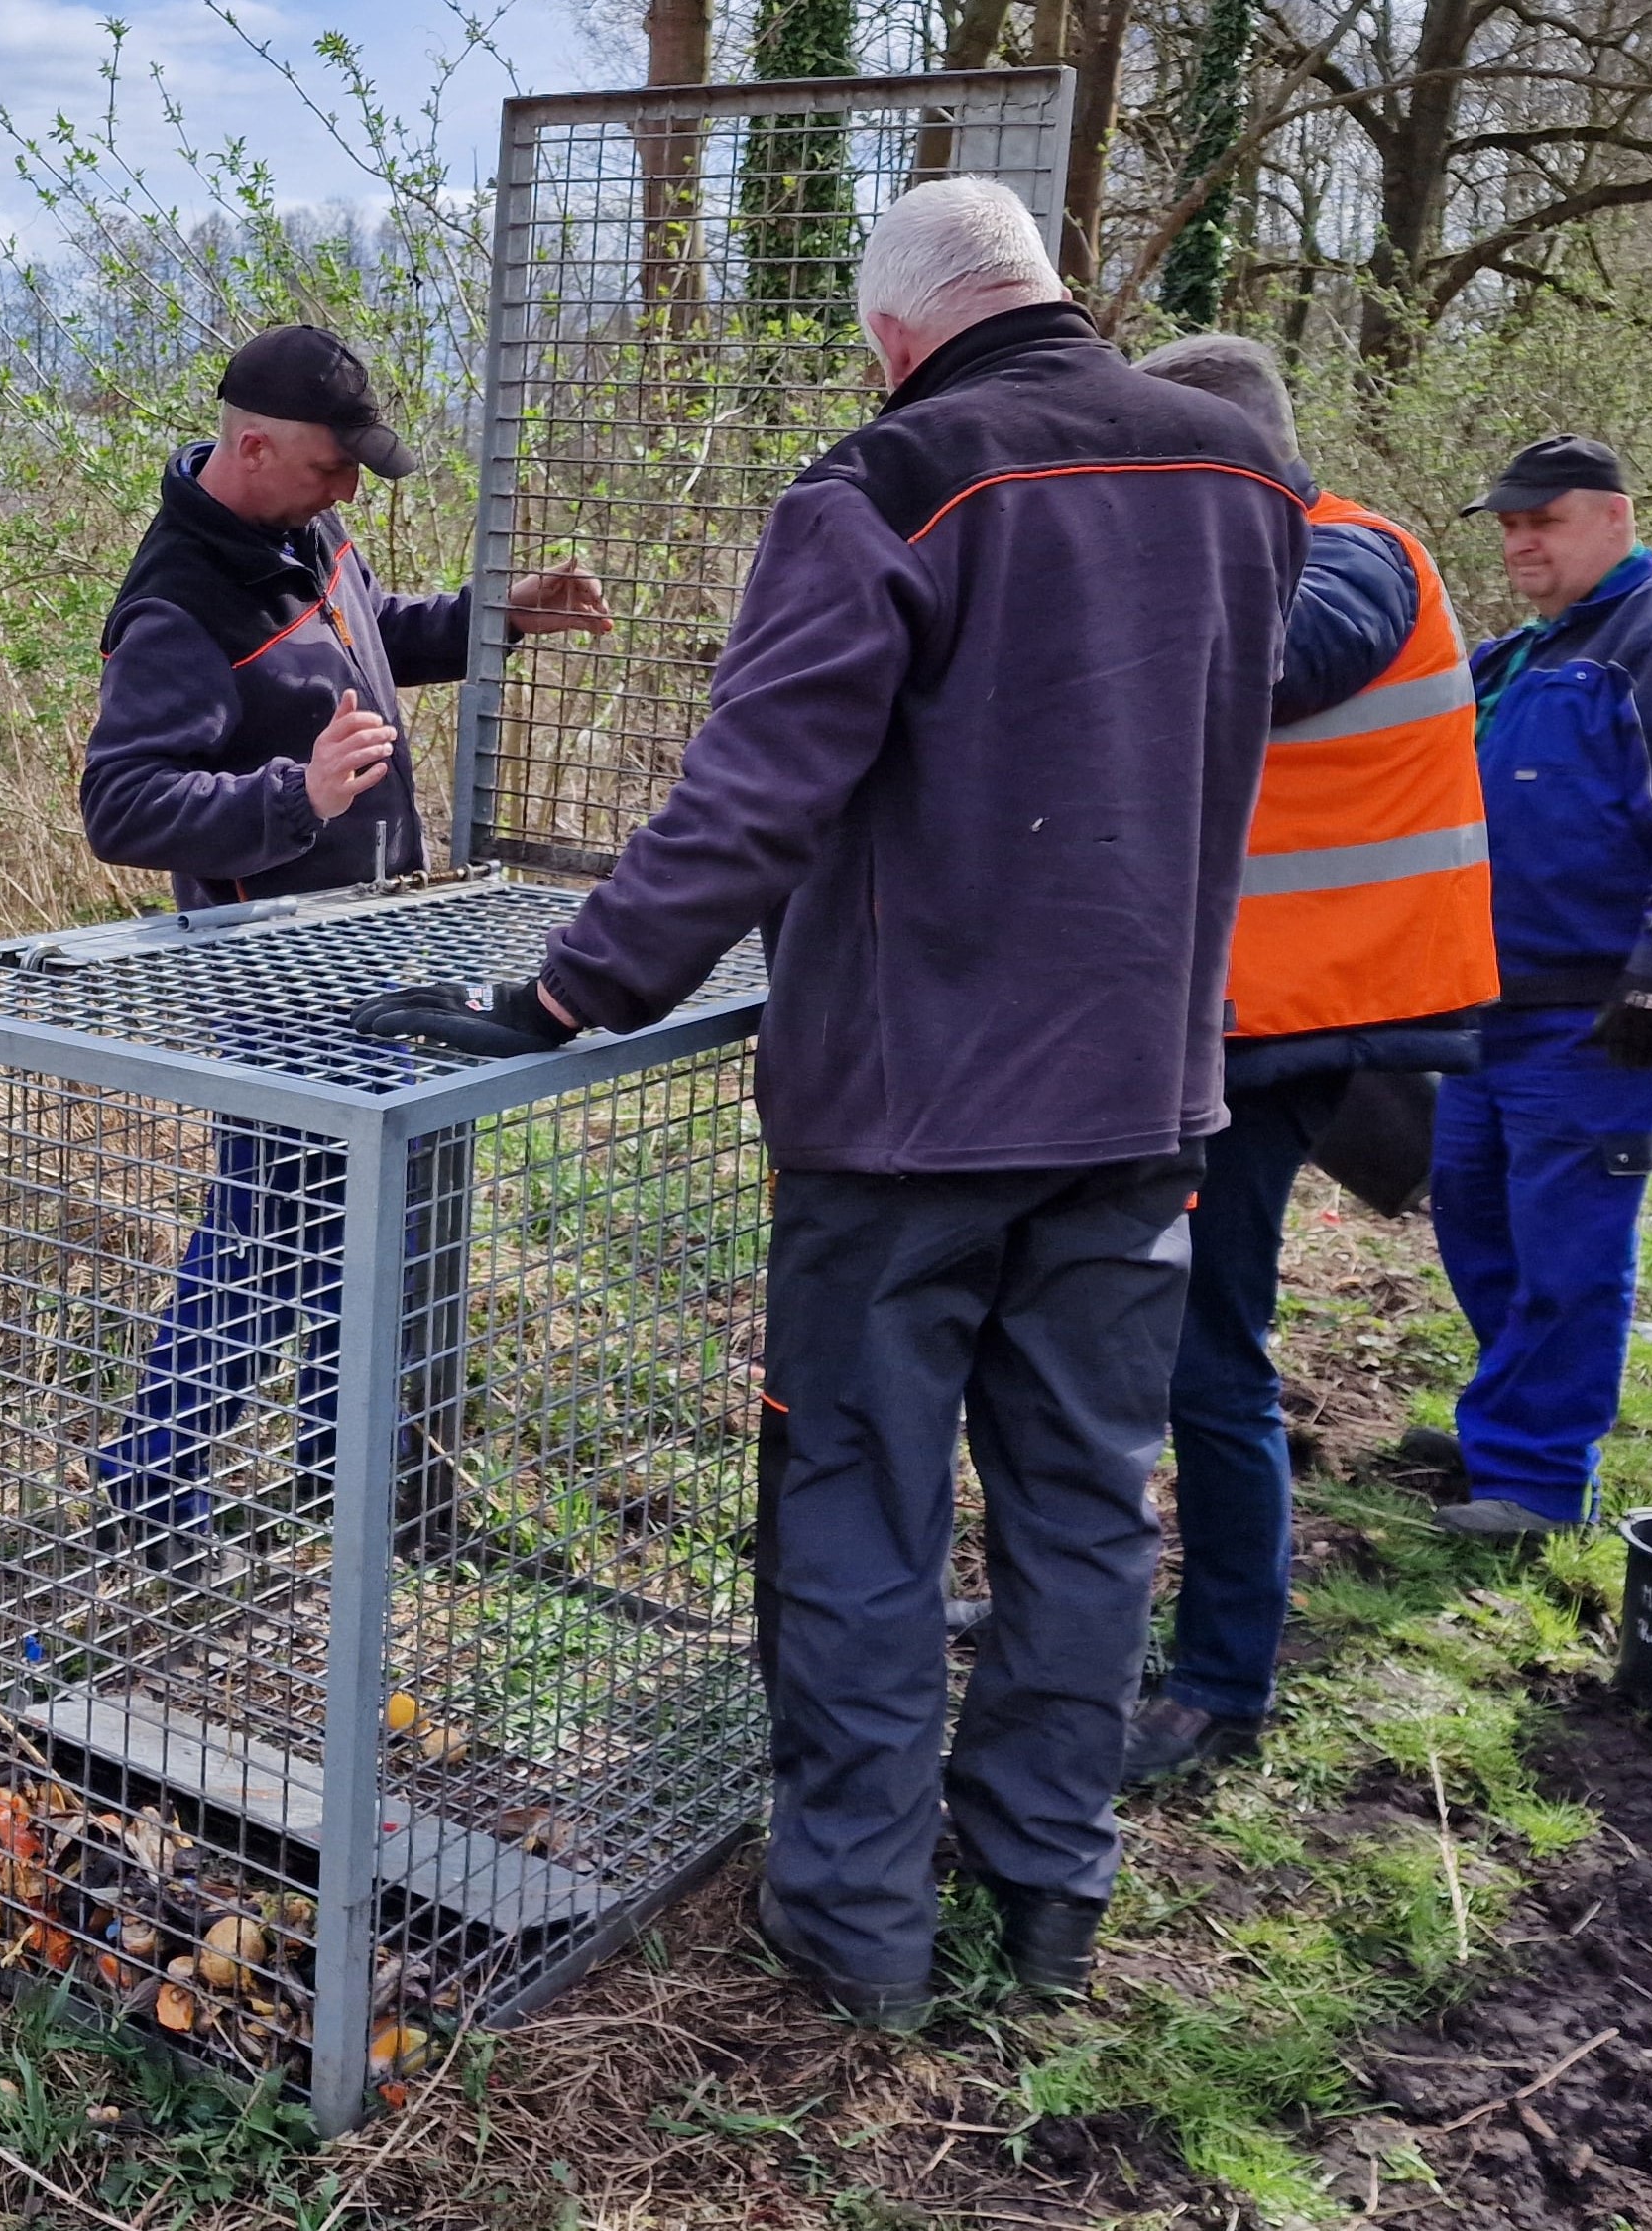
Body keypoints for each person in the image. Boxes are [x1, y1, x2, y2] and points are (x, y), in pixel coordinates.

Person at [356, 179, 1306, 2027]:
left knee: (862, 1515)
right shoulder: (1247, 480)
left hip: (910, 1121)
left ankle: (856, 1925)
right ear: (1045, 288)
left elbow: (755, 790)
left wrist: (570, 988)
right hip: (1141, 1101)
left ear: (892, 334)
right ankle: (1046, 1897)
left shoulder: (888, 484)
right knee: (1086, 1505)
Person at [78, 325, 610, 1553]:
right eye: (334, 465)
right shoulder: (178, 603)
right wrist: (293, 797)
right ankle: (155, 1489)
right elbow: (122, 805)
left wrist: (499, 618)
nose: (351, 488)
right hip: (270, 969)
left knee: (369, 1227)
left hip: (373, 950)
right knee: (275, 1225)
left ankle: (345, 1476)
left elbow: (376, 632)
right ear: (254, 445)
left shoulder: (301, 529)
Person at [1115, 335, 1498, 1782]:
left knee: (1210, 1359)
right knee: (1143, 1343)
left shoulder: (1354, 559)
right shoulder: (1262, 554)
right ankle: (1131, 1622)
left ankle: (1222, 1677)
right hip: (1214, 1023)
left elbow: (1258, 669)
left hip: (1285, 1036)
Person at [1425, 435, 1652, 1536]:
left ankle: (1535, 1480)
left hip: (1599, 1009)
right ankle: (1506, 1426)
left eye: (1547, 519)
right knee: (1480, 1219)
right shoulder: (1516, 654)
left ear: (1615, 519)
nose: (1522, 540)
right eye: (1511, 523)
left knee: (1568, 1238)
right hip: (1490, 1001)